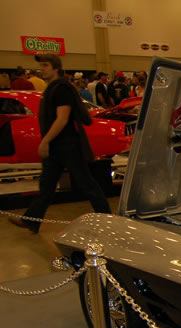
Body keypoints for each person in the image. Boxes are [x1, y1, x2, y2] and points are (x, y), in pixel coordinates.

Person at [9, 54, 110, 234]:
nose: (42, 69)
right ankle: (32, 220)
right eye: (41, 66)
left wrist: (45, 140)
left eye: (45, 65)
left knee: (86, 182)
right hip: (58, 145)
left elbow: (62, 118)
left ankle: (108, 219)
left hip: (67, 144)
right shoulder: (53, 88)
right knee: (47, 185)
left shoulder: (62, 88)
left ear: (56, 68)